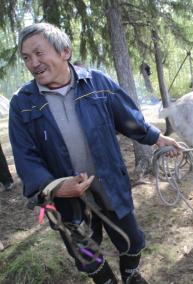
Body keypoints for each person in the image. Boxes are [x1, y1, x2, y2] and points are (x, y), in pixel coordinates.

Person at [9, 23, 180, 284]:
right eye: (26, 58)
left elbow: (128, 118)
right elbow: (25, 157)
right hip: (65, 199)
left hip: (108, 183)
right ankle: (106, 281)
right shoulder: (22, 103)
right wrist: (54, 187)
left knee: (133, 240)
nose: (33, 63)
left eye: (38, 53)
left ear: (64, 51)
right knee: (85, 252)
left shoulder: (97, 82)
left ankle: (131, 273)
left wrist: (157, 138)